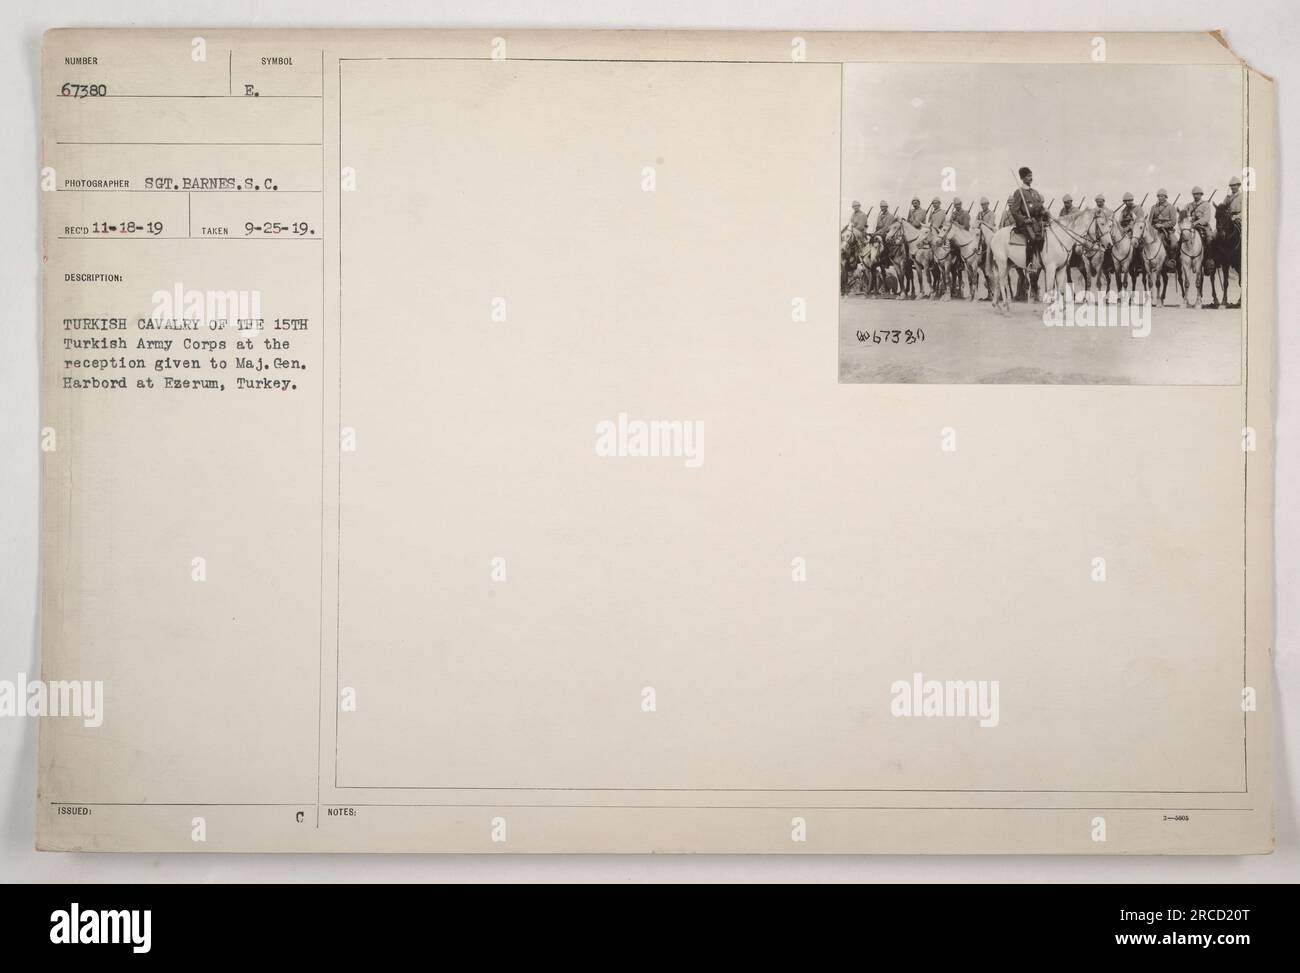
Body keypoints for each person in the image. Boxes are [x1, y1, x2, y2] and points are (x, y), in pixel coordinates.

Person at [1007, 166, 1046, 268]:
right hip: (1026, 223)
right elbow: (1014, 210)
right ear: (1023, 178)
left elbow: (1039, 207)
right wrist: (1025, 220)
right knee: (1032, 238)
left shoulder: (1035, 192)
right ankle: (1030, 264)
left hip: (1037, 222)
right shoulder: (1019, 192)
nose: (1031, 178)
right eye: (1028, 176)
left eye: (1031, 175)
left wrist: (1044, 212)